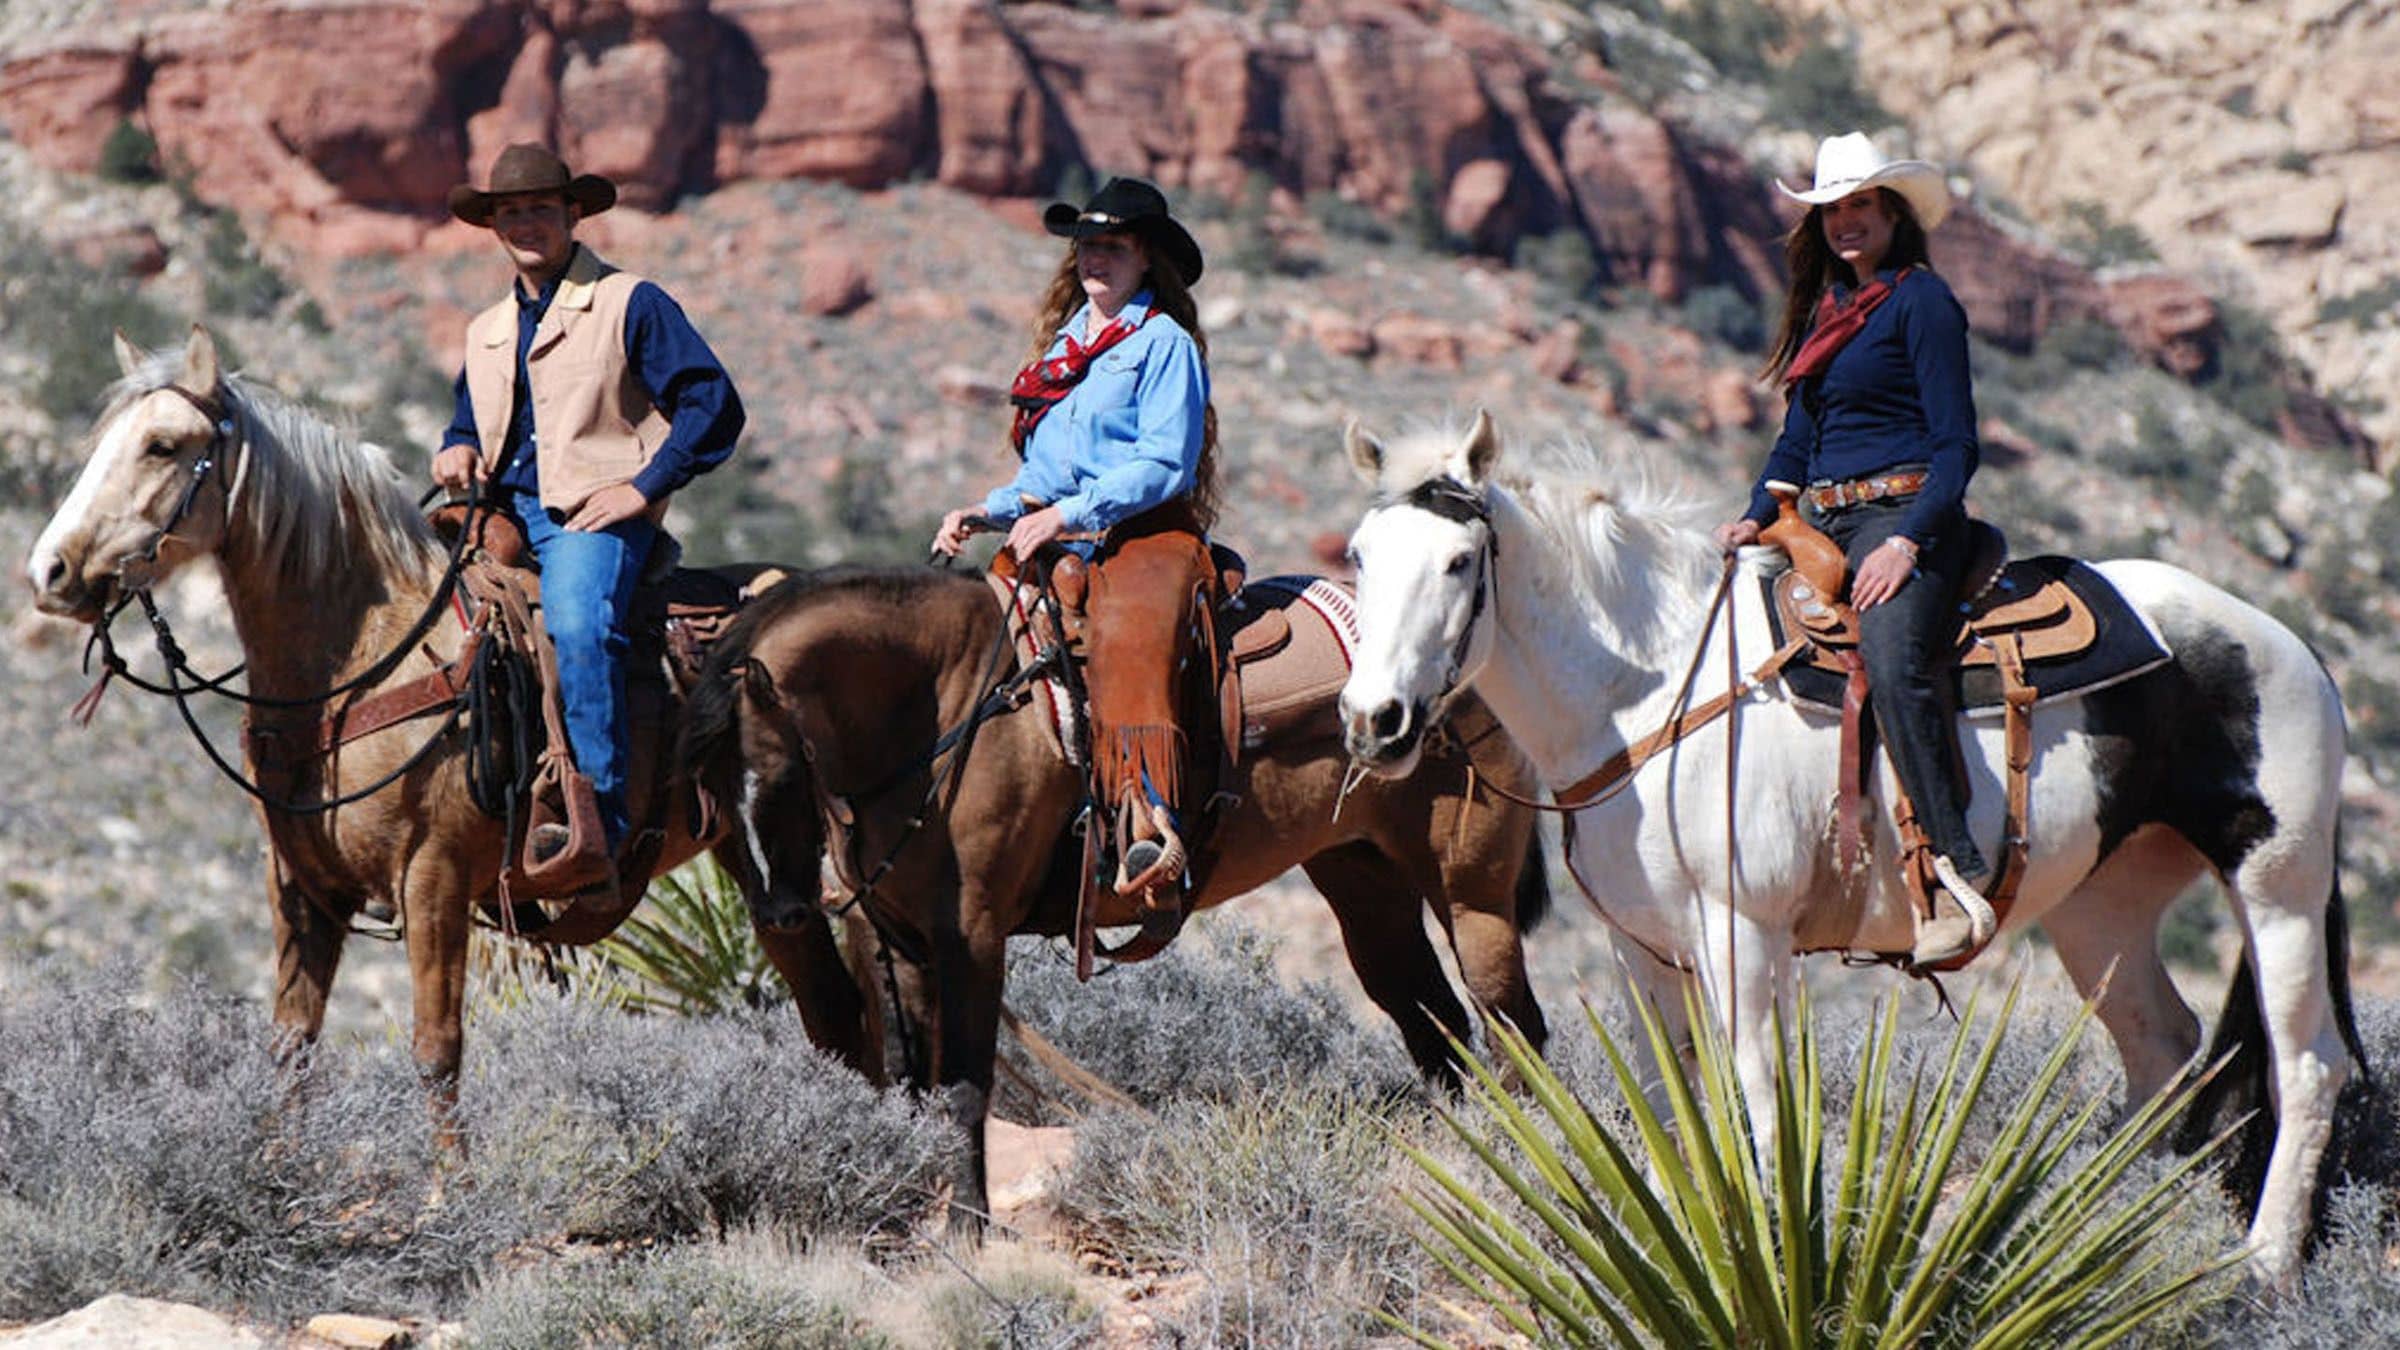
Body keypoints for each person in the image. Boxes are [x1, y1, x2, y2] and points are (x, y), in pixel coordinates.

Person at [1710, 132, 1990, 965]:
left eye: (1859, 205)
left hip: (1905, 515)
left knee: (1894, 657)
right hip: (1818, 525)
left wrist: (1906, 543)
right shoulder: (1827, 316)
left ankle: (1953, 870)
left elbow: (1957, 446)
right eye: (1832, 210)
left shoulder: (1922, 302)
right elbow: (1796, 447)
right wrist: (1753, 515)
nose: (1844, 223)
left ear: (1893, 213)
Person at [431, 143, 745, 881]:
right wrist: (453, 449)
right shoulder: (488, 330)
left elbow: (713, 405)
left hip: (588, 514)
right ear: (494, 225)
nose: (526, 222)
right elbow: (470, 422)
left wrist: (642, 487)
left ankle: (596, 816)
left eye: (541, 207)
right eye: (511, 212)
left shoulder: (629, 301)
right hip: (497, 514)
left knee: (577, 624)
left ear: (574, 214)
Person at [931, 177, 1218, 902]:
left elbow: (1165, 462)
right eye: (1088, 246)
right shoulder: (1066, 348)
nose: (1096, 259)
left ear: (1145, 258)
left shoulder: (1163, 344)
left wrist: (1069, 515)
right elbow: (1046, 473)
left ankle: (1148, 820)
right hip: (1061, 526)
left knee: (1128, 634)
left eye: (1113, 247)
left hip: (1142, 531)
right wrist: (987, 510)